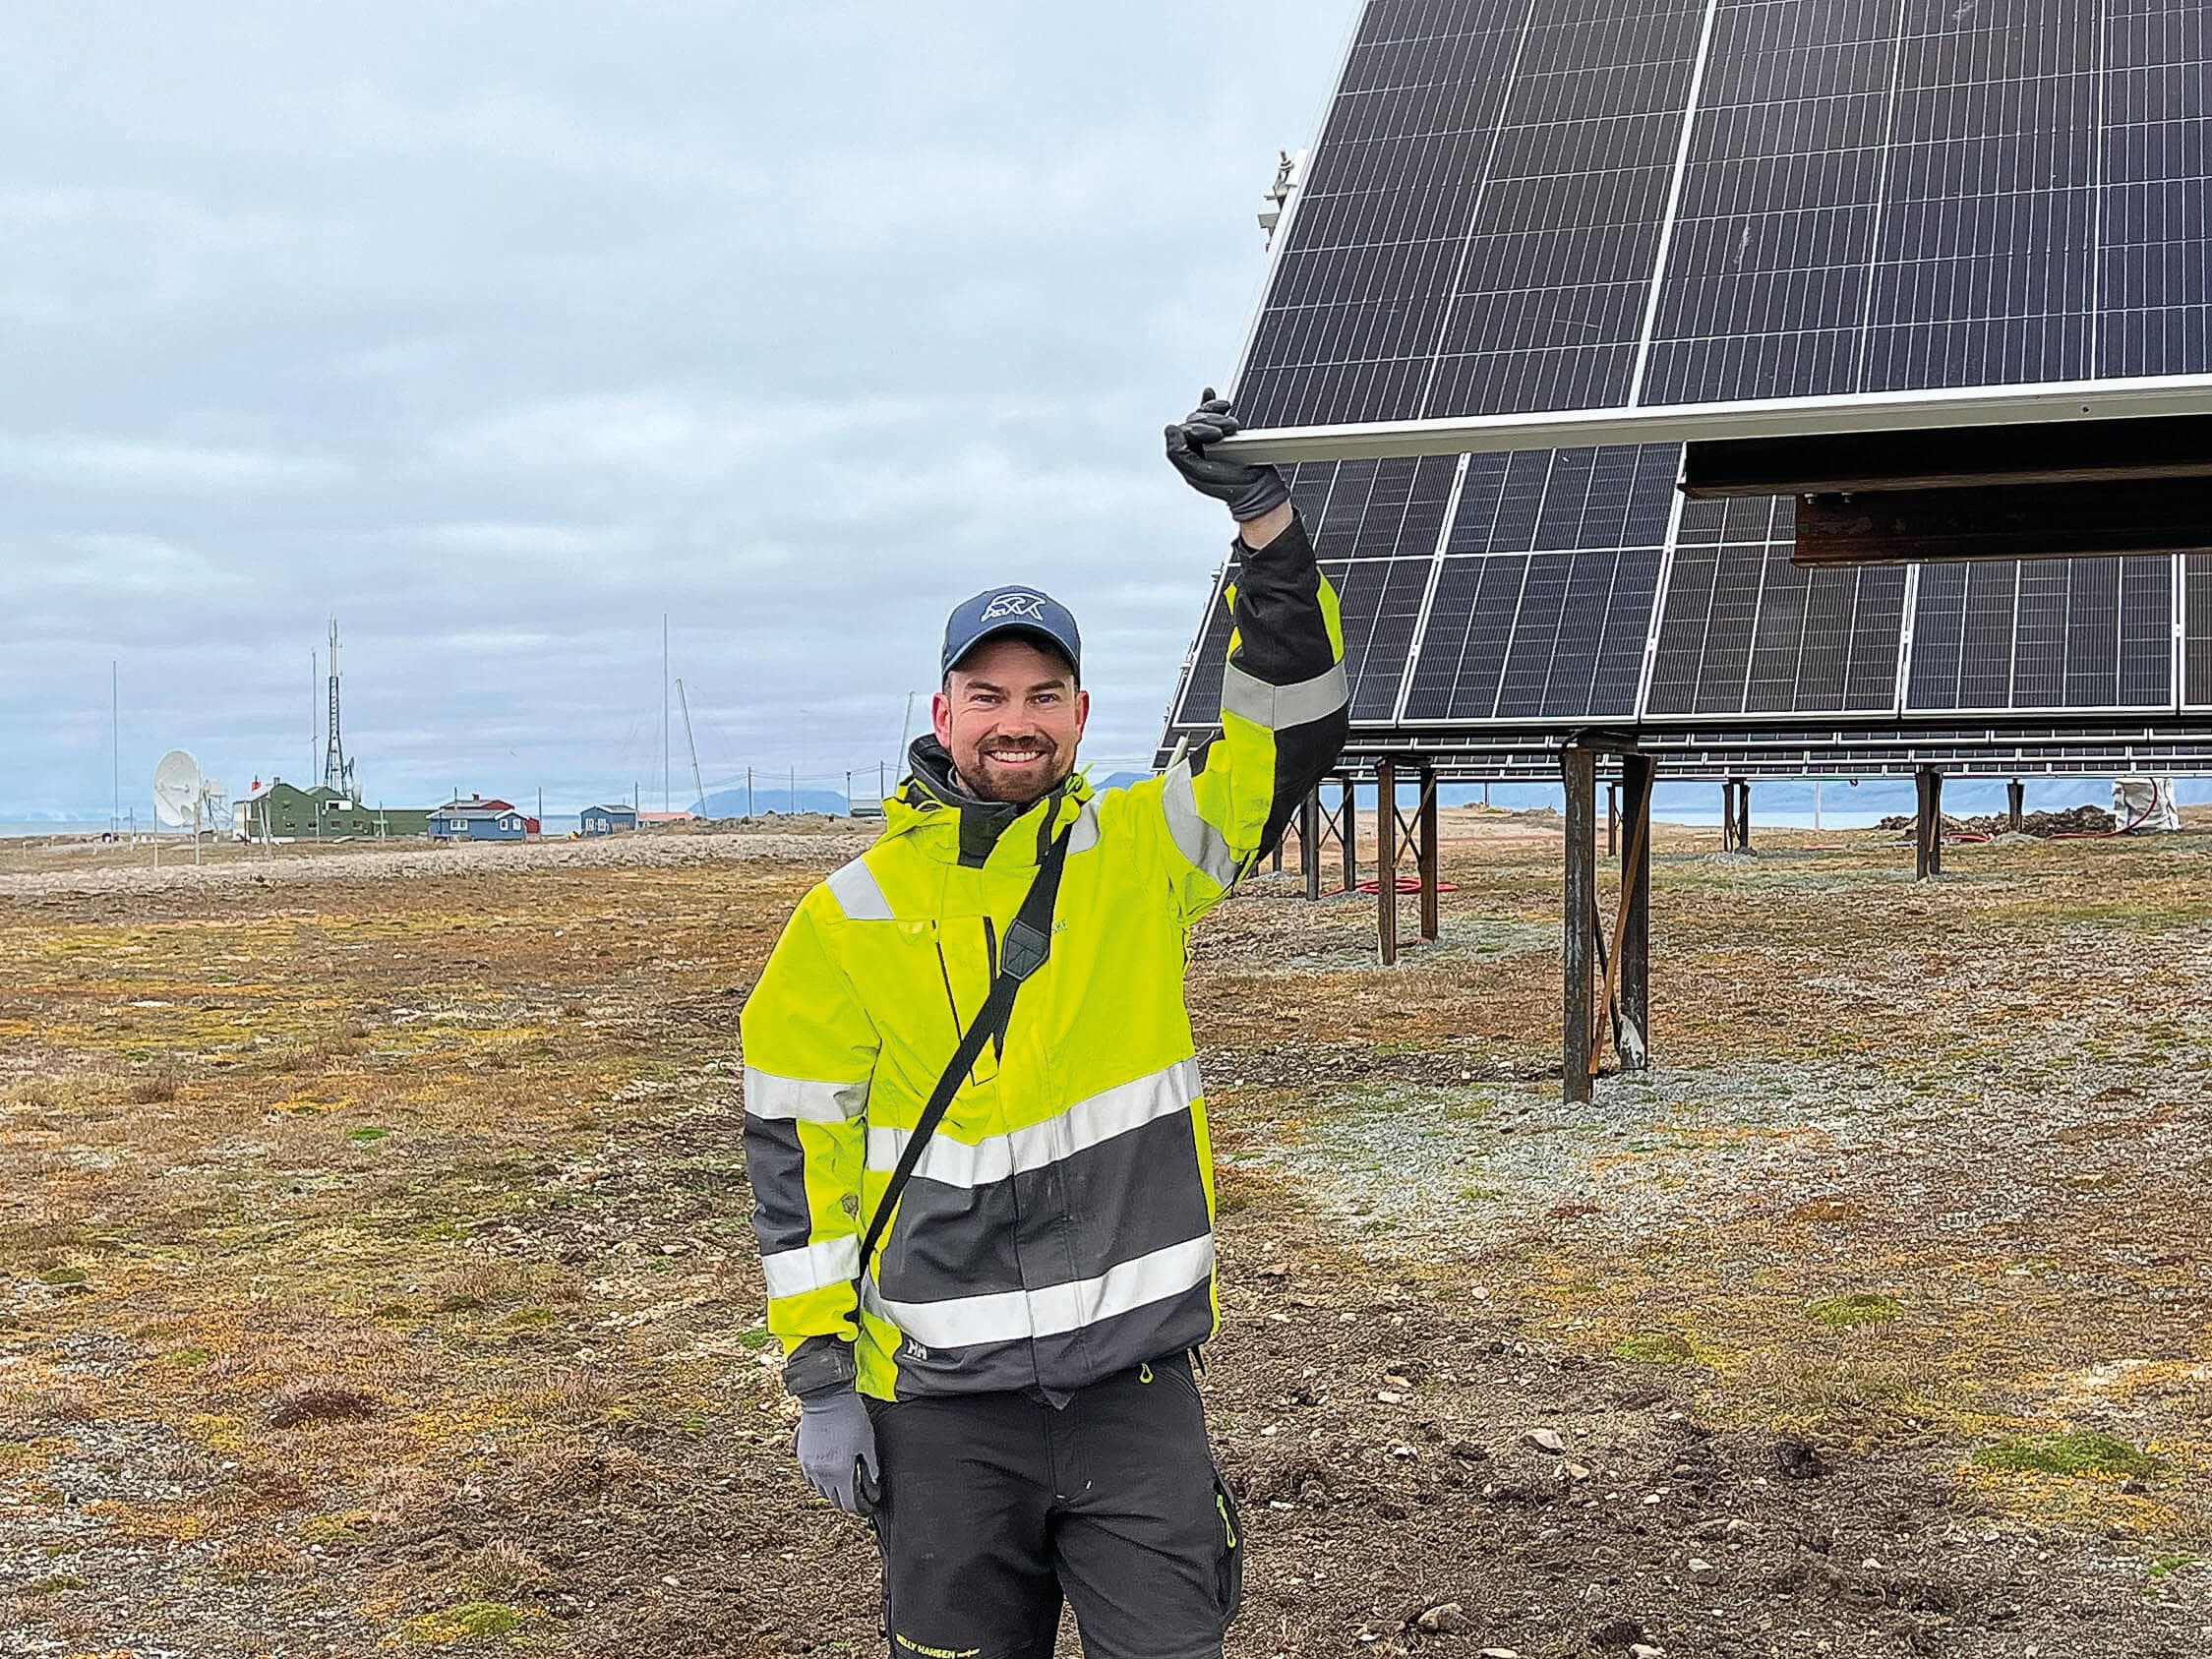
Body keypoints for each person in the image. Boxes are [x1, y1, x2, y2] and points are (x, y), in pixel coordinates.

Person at [741, 391, 1348, 1659]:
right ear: (944, 709)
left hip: (1133, 1394)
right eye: (989, 691)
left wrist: (1267, 531)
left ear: (1081, 715)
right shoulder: (846, 917)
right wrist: (820, 1386)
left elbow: (1286, 737)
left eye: (1045, 692)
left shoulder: (1143, 849)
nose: (1016, 716)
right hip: (944, 1413)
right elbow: (800, 1166)